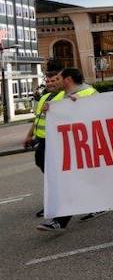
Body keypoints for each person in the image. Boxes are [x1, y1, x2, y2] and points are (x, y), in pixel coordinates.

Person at [36, 68, 98, 231]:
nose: (55, 81)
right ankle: (60, 219)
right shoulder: (64, 96)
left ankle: (60, 219)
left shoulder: (88, 93)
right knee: (70, 182)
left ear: (68, 80)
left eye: (58, 78)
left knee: (74, 181)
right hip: (72, 147)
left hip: (85, 147)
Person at [24, 62, 64, 218]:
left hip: (57, 142)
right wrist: (29, 135)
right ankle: (55, 200)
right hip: (42, 141)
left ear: (61, 80)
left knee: (55, 174)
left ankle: (55, 203)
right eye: (48, 81)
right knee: (45, 170)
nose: (50, 84)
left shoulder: (65, 96)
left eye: (54, 80)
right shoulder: (45, 97)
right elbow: (37, 118)